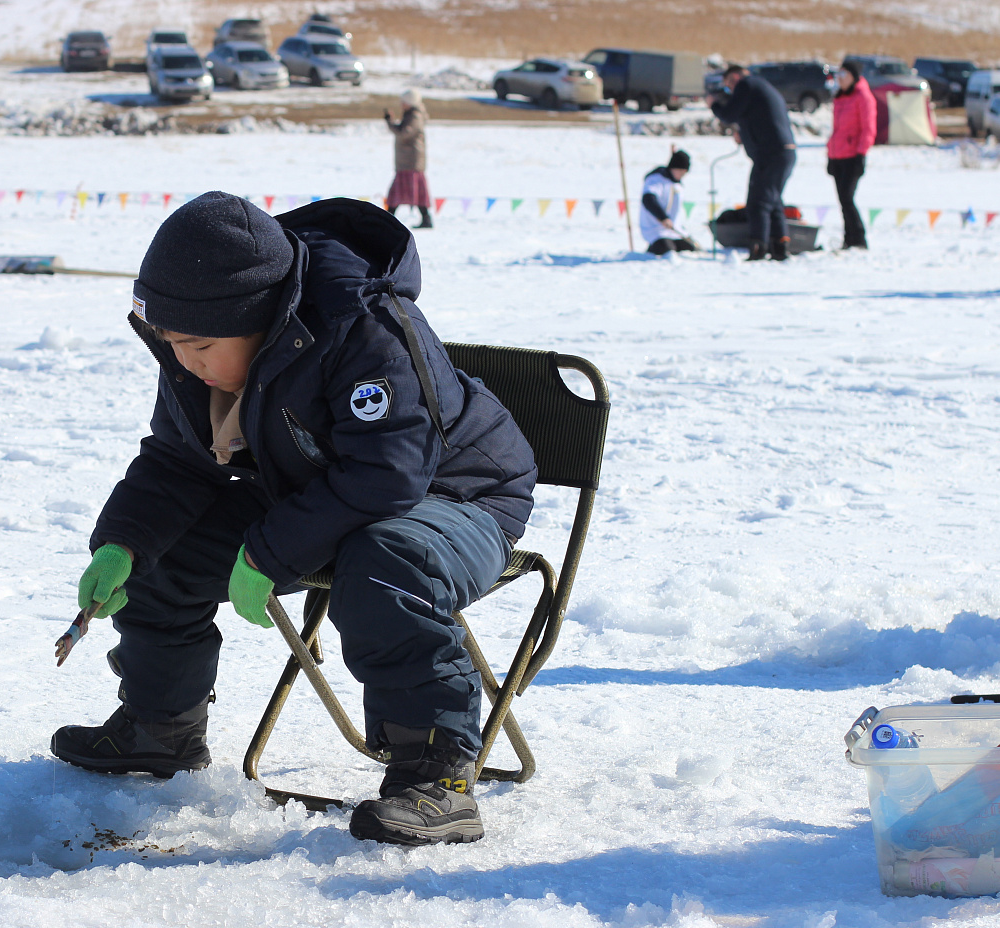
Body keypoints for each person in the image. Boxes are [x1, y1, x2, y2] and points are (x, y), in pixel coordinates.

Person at [51, 193, 538, 846]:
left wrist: (269, 552)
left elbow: (388, 471)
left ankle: (437, 774)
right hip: (316, 485)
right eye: (171, 345)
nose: (183, 364)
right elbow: (178, 460)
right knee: (164, 551)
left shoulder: (362, 324)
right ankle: (160, 725)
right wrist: (122, 544)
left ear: (257, 317)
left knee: (385, 561)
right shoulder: (201, 351)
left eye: (198, 346)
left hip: (454, 494)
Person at [710, 65, 797, 260]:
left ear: (734, 77)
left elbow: (729, 114)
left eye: (728, 86)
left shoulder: (746, 85)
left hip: (771, 153)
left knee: (758, 202)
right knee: (772, 200)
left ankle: (759, 247)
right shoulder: (761, 86)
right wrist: (744, 133)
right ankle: (780, 246)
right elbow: (756, 116)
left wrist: (714, 105)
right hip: (783, 151)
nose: (730, 91)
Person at [827, 60, 877, 250]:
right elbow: (836, 129)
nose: (839, 79)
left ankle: (859, 238)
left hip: (852, 155)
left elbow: (868, 129)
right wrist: (830, 156)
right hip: (838, 154)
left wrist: (861, 155)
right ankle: (848, 239)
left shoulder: (863, 96)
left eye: (843, 75)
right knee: (842, 199)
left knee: (847, 198)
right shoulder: (840, 97)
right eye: (838, 75)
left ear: (853, 77)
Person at [384, 89, 432, 229]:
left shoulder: (414, 116)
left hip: (410, 162)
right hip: (408, 161)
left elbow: (403, 133)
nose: (401, 104)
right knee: (407, 191)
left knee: (405, 190)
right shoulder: (411, 115)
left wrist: (390, 123)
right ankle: (389, 218)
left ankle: (388, 219)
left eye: (403, 101)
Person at [641, 149, 698, 255]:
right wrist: (663, 217)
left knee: (689, 249)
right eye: (681, 171)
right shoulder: (656, 180)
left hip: (674, 230)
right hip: (656, 230)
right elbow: (648, 199)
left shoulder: (677, 184)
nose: (682, 175)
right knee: (667, 249)